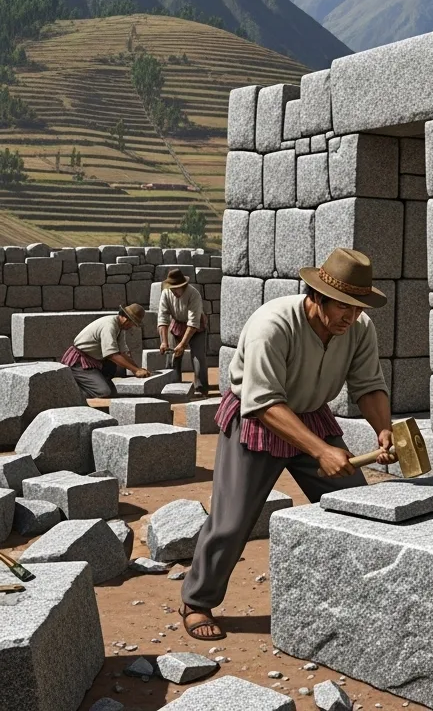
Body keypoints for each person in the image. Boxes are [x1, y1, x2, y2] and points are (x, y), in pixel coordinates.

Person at [179, 248, 395, 641]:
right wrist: (322, 451)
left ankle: (356, 595)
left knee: (356, 506)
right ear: (316, 297)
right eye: (343, 306)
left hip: (310, 414)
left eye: (357, 307)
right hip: (258, 417)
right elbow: (263, 402)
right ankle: (197, 601)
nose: (351, 316)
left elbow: (368, 385)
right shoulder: (272, 324)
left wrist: (384, 429)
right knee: (232, 520)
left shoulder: (359, 328)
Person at [60, 304, 151, 400]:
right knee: (103, 392)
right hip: (79, 363)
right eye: (133, 323)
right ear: (127, 320)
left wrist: (137, 368)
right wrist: (136, 370)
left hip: (93, 362)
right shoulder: (109, 326)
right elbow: (112, 355)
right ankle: (72, 394)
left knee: (113, 393)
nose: (132, 326)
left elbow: (123, 353)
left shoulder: (120, 328)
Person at [156, 269, 211, 397]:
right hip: (177, 323)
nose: (173, 292)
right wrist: (164, 342)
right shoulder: (166, 293)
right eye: (171, 289)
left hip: (195, 327)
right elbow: (162, 318)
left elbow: (193, 323)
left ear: (183, 286)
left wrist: (182, 344)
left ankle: (200, 388)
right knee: (172, 355)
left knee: (198, 357)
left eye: (176, 289)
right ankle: (174, 385)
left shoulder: (194, 294)